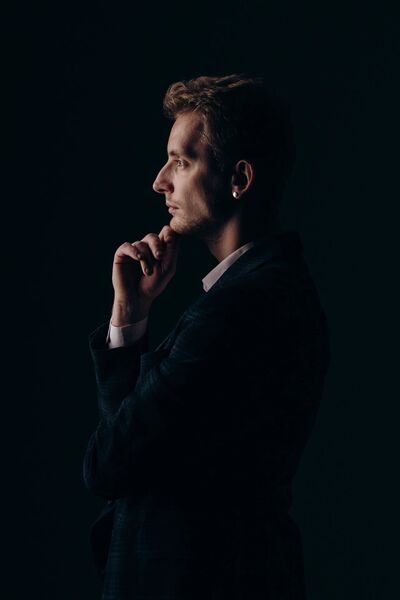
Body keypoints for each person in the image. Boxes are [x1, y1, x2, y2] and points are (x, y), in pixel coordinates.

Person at [83, 73, 330, 599]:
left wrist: (127, 319)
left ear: (239, 178)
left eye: (181, 161)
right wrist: (130, 312)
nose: (159, 181)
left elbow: (110, 463)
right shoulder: (268, 292)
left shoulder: (239, 310)